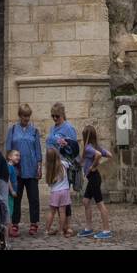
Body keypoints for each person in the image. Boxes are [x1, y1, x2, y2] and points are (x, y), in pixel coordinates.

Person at [5, 102, 43, 237]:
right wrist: (9, 166)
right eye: (24, 116)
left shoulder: (34, 131)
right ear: (20, 115)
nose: (26, 119)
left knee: (34, 198)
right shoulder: (13, 130)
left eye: (28, 116)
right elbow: (8, 149)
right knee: (16, 197)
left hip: (31, 169)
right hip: (16, 171)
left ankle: (34, 223)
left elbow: (38, 150)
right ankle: (14, 224)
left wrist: (39, 166)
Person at [46, 101, 79, 236]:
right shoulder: (53, 129)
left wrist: (66, 144)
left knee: (65, 199)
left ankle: (68, 226)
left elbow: (75, 148)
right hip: (54, 165)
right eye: (52, 116)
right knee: (57, 200)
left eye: (57, 116)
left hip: (66, 167)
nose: (54, 119)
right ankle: (62, 226)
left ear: (62, 115)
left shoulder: (68, 128)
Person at [78, 124, 112, 239]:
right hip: (93, 178)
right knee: (86, 201)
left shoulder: (88, 148)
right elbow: (109, 155)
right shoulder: (95, 147)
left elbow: (98, 155)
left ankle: (106, 230)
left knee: (100, 203)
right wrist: (100, 155)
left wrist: (93, 165)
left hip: (94, 177)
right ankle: (88, 228)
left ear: (85, 136)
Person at [45, 145, 72, 235]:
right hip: (64, 191)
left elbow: (49, 183)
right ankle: (61, 230)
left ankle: (47, 230)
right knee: (62, 211)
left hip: (55, 192)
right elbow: (70, 164)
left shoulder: (49, 169)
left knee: (52, 212)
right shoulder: (64, 164)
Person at [7, 149, 20, 223]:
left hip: (11, 195)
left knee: (11, 210)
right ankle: (9, 230)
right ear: (9, 157)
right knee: (9, 211)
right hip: (9, 194)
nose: (18, 157)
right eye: (16, 155)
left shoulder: (13, 167)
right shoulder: (9, 167)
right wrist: (12, 190)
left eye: (19, 156)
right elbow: (8, 179)